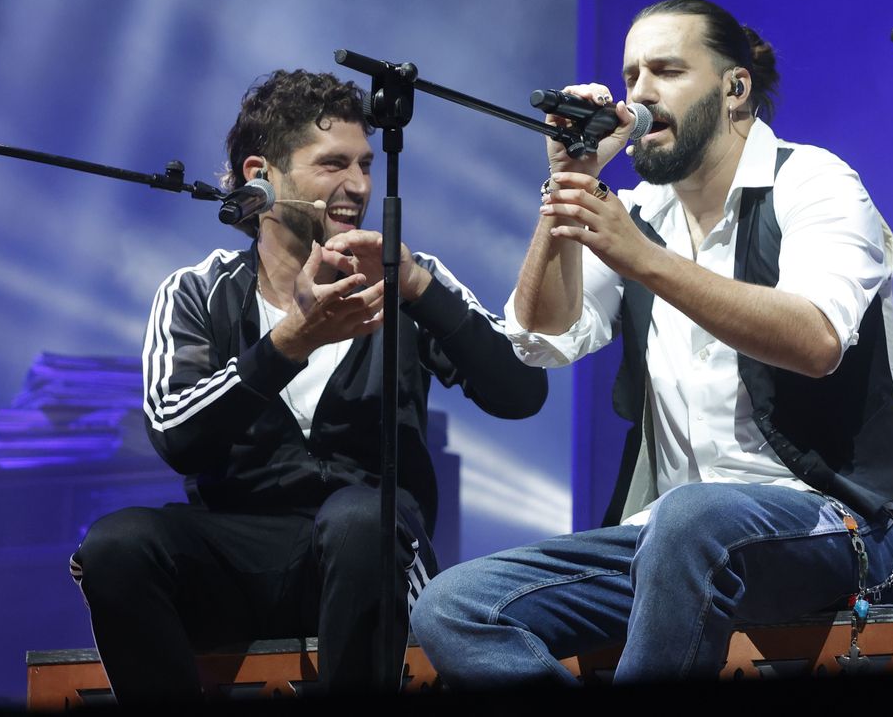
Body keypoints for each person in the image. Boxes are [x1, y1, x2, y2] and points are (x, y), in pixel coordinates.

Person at [410, 0, 893, 685]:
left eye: (666, 71)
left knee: (691, 519)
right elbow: (539, 336)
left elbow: (816, 340)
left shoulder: (814, 183)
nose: (640, 96)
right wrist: (570, 183)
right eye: (630, 78)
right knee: (455, 605)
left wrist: (643, 259)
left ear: (734, 89)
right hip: (672, 543)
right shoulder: (641, 213)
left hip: (840, 529)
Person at [69, 69, 548, 700]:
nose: (358, 187)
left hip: (374, 554)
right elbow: (175, 433)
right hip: (239, 558)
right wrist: (291, 341)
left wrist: (421, 292)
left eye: (366, 165)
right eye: (333, 165)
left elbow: (520, 393)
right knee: (116, 546)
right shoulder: (196, 291)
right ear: (260, 175)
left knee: (357, 518)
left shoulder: (407, 278)